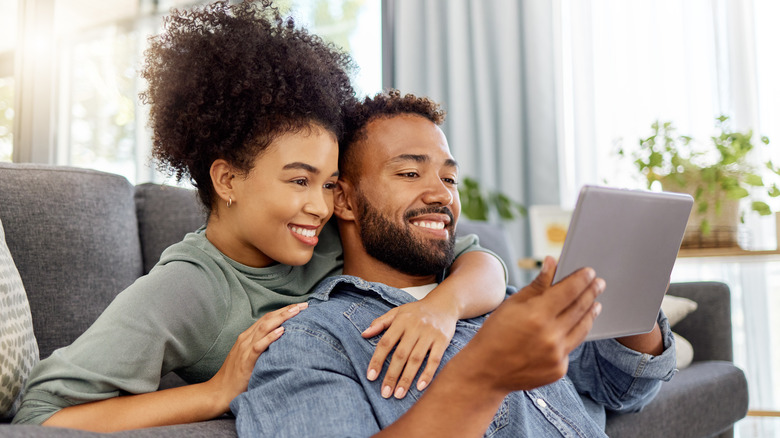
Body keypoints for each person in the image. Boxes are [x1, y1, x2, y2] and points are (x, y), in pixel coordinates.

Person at [12, 2, 507, 431]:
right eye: (298, 180)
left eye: (330, 183)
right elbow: (41, 415)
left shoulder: (330, 229)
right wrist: (215, 392)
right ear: (228, 181)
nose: (320, 205)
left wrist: (441, 308)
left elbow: (478, 261)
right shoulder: (188, 289)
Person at [230, 90, 677, 437]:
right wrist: (482, 376)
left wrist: (627, 283)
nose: (442, 194)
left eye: (449, 178)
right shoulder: (315, 340)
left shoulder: (501, 305)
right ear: (344, 199)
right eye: (410, 173)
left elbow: (622, 387)